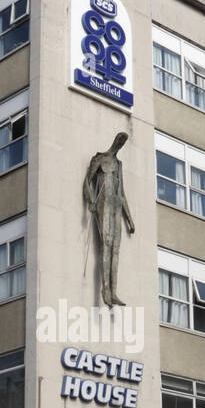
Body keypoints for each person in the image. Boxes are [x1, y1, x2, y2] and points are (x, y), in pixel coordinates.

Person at [81, 131, 135, 306]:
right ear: (115, 140)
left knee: (116, 251)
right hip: (103, 205)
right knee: (106, 246)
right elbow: (88, 181)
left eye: (123, 142)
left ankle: (114, 291)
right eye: (120, 140)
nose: (120, 144)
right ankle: (105, 290)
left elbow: (123, 193)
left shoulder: (119, 165)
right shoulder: (100, 158)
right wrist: (90, 202)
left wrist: (130, 219)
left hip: (116, 207)